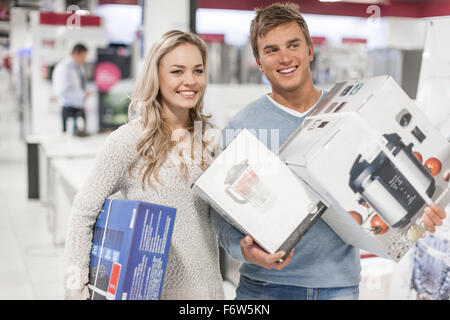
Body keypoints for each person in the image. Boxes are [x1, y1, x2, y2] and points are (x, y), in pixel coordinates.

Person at [211, 2, 447, 300]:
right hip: (264, 289)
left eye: (293, 45)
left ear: (310, 50)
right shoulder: (241, 127)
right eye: (271, 50)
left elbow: (394, 197)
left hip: (338, 287)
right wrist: (242, 249)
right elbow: (220, 216)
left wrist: (421, 214)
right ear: (258, 61)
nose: (285, 58)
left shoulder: (352, 112)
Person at [64, 30, 225, 300]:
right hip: (151, 293)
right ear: (156, 75)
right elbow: (82, 214)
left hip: (208, 292)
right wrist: (75, 289)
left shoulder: (211, 138)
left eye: (198, 71)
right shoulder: (129, 140)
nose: (190, 80)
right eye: (177, 71)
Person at [53, 43, 91, 135]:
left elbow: (79, 86)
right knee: (69, 140)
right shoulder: (64, 68)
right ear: (75, 54)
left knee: (82, 138)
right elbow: (61, 91)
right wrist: (82, 95)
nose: (84, 60)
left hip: (79, 107)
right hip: (69, 108)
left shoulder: (79, 68)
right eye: (83, 56)